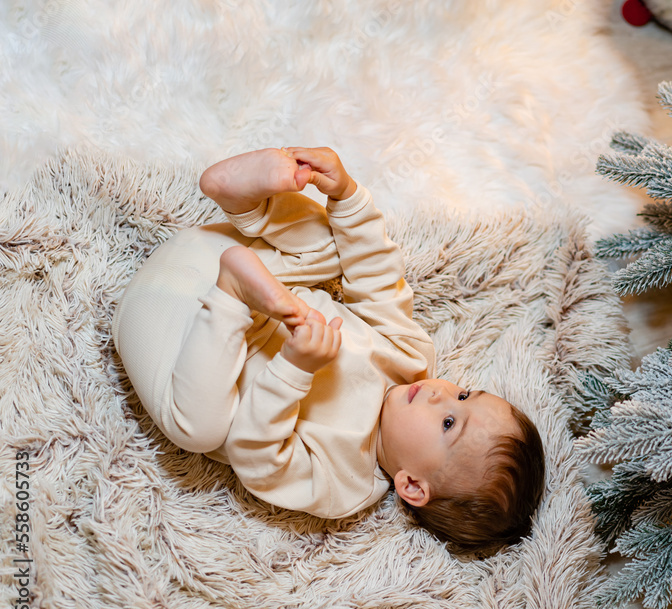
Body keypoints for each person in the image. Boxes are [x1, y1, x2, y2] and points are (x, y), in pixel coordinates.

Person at [111, 146, 544, 552]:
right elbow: (377, 279)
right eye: (464, 393)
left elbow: (255, 456)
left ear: (412, 485)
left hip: (169, 330)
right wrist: (347, 196)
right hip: (214, 254)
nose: (440, 393)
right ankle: (243, 200)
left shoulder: (344, 484)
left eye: (449, 421)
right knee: (337, 253)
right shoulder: (410, 358)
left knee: (198, 428)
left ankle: (234, 289)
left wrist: (294, 369)